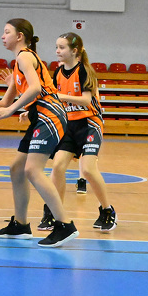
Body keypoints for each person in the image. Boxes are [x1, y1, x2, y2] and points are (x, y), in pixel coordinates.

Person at [0, 19, 78, 247]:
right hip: (39, 116)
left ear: (20, 36)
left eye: (6, 32)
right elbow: (6, 100)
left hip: (49, 114)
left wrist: (11, 110)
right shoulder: (18, 63)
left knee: (32, 169)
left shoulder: (24, 56)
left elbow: (35, 89)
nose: (2, 36)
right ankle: (21, 225)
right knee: (17, 168)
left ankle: (64, 224)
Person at [37, 32, 117, 232]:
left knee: (88, 169)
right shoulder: (57, 72)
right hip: (69, 125)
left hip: (89, 123)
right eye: (56, 47)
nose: (57, 51)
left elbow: (86, 100)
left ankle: (107, 210)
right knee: (57, 167)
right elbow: (54, 100)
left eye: (62, 47)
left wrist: (60, 96)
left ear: (74, 51)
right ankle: (55, 213)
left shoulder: (84, 71)